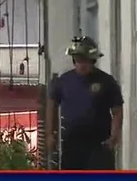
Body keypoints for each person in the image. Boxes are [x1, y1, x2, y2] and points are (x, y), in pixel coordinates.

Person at [50, 36, 123, 170]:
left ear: (93, 60)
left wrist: (114, 137)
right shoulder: (64, 81)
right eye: (78, 60)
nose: (82, 64)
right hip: (72, 144)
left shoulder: (107, 81)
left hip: (99, 145)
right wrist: (51, 133)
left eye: (85, 60)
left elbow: (117, 110)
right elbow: (52, 105)